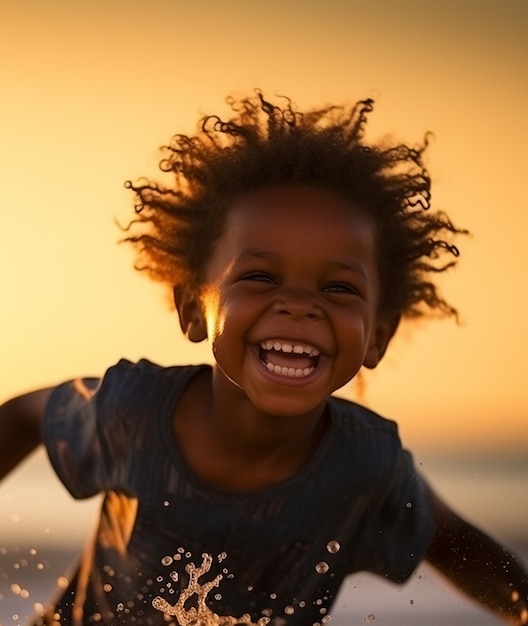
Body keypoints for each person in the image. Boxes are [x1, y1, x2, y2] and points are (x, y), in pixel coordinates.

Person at [1, 91, 526, 626]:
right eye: (259, 277)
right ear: (191, 309)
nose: (299, 306)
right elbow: (23, 415)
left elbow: (462, 547)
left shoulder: (366, 466)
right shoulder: (131, 414)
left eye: (339, 288)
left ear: (377, 337)